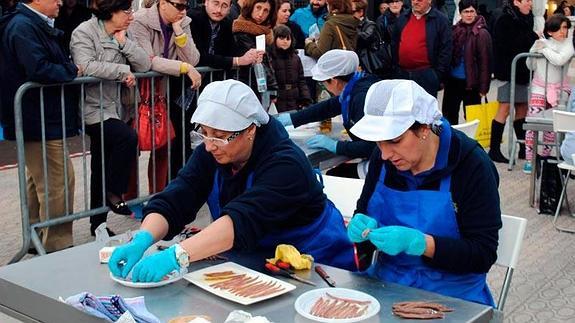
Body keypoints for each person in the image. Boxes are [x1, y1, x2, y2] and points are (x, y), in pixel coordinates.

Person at [108, 80, 356, 282]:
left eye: (220, 136)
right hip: (254, 262)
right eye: (204, 133)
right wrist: (143, 237)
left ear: (250, 130)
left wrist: (177, 256)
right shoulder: (212, 151)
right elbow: (179, 195)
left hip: (315, 263)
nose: (208, 144)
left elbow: (242, 220)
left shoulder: (286, 165)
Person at [347, 79, 502, 306]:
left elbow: (482, 254)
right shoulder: (383, 161)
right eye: (379, 143)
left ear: (424, 129)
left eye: (394, 140)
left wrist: (421, 244)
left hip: (452, 293)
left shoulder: (471, 165)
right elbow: (365, 213)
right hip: (387, 282)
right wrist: (363, 230)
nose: (385, 154)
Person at [0, 0, 80, 252]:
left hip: (39, 117)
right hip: (37, 118)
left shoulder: (29, 23)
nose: (61, 2)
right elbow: (40, 68)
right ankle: (57, 245)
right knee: (58, 181)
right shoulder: (22, 26)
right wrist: (71, 69)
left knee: (40, 180)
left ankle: (36, 237)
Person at [70, 0, 151, 236]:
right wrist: (122, 71)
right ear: (110, 12)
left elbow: (144, 64)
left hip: (118, 108)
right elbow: (85, 65)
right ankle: (114, 192)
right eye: (126, 11)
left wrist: (124, 43)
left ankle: (99, 225)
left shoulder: (123, 33)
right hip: (93, 108)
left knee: (100, 165)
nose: (131, 16)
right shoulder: (84, 32)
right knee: (127, 138)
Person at [127, 0, 201, 196]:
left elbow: (193, 59)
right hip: (133, 92)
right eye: (178, 5)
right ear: (162, 3)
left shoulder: (183, 22)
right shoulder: (140, 20)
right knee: (132, 144)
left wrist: (179, 33)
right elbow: (147, 60)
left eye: (185, 6)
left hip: (162, 92)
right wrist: (183, 68)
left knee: (162, 144)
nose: (183, 11)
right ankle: (130, 199)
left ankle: (158, 196)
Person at [277, 50, 379, 178]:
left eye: (323, 83)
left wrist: (335, 146)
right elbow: (328, 107)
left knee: (335, 175)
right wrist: (292, 118)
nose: (324, 87)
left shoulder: (361, 97)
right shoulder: (355, 86)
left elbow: (372, 146)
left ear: (334, 80)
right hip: (379, 157)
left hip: (389, 162)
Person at [523, 14, 574, 173]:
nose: (562, 32)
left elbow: (559, 60)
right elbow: (530, 63)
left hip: (559, 90)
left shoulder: (569, 44)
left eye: (565, 28)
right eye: (558, 28)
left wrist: (543, 49)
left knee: (553, 126)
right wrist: (534, 49)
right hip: (539, 87)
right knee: (533, 123)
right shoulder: (543, 42)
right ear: (550, 30)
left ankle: (545, 156)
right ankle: (529, 159)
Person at [490, 0, 538, 163]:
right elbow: (510, 45)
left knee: (522, 107)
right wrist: (533, 37)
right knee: (504, 108)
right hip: (508, 72)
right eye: (527, 1)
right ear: (516, 2)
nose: (530, 4)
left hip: (523, 72)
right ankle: (494, 149)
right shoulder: (504, 19)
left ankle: (523, 147)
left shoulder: (527, 17)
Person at [441, 0, 492, 126]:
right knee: (449, 117)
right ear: (460, 13)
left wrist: (484, 87)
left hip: (472, 84)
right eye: (466, 11)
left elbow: (486, 62)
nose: (469, 15)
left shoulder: (482, 33)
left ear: (476, 12)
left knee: (472, 120)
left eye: (471, 11)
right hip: (453, 81)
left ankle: (470, 145)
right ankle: (452, 144)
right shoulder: (455, 30)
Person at [391, 0, 452, 97]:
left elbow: (446, 50)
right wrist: (396, 69)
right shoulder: (403, 18)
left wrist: (437, 76)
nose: (415, 2)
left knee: (424, 111)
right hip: (403, 75)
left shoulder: (441, 20)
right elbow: (394, 44)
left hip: (426, 76)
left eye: (419, 0)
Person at [188, 0, 258, 71]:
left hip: (212, 78)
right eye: (215, 4)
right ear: (206, 2)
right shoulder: (193, 18)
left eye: (224, 6)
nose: (219, 10)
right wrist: (237, 61)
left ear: (229, 8)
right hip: (187, 76)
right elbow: (199, 56)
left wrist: (250, 57)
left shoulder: (227, 23)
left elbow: (232, 51)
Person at [232, 0, 278, 102]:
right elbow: (260, 61)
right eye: (258, 7)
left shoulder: (266, 32)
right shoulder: (241, 29)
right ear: (251, 7)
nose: (261, 14)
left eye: (266, 10)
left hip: (258, 85)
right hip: (246, 85)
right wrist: (272, 88)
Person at [269, 24, 312, 112]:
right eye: (281, 38)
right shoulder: (270, 57)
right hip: (277, 99)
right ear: (274, 39)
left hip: (294, 99)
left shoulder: (295, 58)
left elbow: (301, 80)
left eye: (288, 38)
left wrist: (305, 98)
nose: (285, 41)